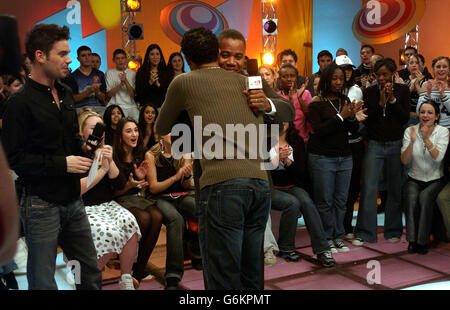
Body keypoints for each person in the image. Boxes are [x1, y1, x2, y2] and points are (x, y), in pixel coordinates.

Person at [156, 27, 294, 290]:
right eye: (225, 55)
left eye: (238, 56)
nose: (232, 62)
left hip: (229, 185)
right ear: (214, 53)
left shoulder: (251, 81)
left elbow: (286, 109)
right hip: (252, 186)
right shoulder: (204, 82)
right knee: (249, 272)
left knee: (227, 275)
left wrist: (267, 104)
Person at [1, 24, 102, 289]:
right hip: (40, 203)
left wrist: (82, 148)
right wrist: (63, 163)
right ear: (40, 56)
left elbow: (70, 139)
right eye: (63, 53)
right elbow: (15, 159)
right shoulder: (18, 103)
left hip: (73, 200)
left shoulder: (67, 94)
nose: (70, 59)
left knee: (87, 270)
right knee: (43, 279)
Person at [77, 108, 142, 289]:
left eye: (101, 128)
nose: (98, 132)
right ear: (82, 131)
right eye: (93, 128)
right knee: (110, 233)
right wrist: (101, 170)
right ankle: (87, 278)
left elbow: (120, 184)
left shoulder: (106, 150)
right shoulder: (77, 153)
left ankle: (126, 278)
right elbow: (79, 189)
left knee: (130, 223)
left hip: (107, 204)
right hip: (85, 207)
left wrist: (110, 161)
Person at [353, 58, 410, 246]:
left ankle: (393, 230)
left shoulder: (402, 90)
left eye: (385, 74)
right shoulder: (369, 92)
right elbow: (368, 120)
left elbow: (403, 118)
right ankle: (364, 232)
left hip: (395, 144)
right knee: (369, 188)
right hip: (375, 144)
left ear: (393, 74)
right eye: (378, 75)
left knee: (395, 187)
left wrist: (392, 100)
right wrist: (381, 101)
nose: (382, 78)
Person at [307, 63, 362, 253]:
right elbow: (319, 131)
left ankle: (338, 236)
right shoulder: (316, 103)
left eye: (342, 79)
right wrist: (341, 116)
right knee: (325, 201)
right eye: (335, 79)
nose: (339, 82)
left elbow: (352, 130)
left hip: (345, 156)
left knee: (341, 200)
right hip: (323, 157)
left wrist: (352, 117)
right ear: (326, 80)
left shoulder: (345, 100)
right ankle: (326, 238)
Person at [270, 122, 336, 266]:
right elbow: (261, 169)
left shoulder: (297, 141)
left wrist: (287, 161)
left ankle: (323, 250)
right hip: (270, 187)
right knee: (292, 203)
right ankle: (286, 248)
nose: (283, 123)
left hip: (292, 185)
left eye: (285, 120)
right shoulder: (265, 139)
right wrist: (275, 159)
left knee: (306, 201)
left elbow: (300, 173)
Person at [112, 117, 163, 283]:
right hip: (119, 199)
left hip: (137, 199)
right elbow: (113, 192)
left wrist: (141, 183)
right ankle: (129, 263)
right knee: (145, 218)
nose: (134, 134)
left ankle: (139, 269)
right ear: (120, 137)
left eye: (135, 130)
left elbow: (142, 184)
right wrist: (130, 184)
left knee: (157, 216)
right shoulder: (113, 156)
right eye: (128, 131)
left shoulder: (140, 153)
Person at [145, 134, 196, 290]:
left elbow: (186, 186)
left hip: (181, 195)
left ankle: (195, 245)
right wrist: (175, 177)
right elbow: (153, 187)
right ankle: (173, 277)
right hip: (160, 197)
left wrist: (186, 176)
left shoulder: (183, 152)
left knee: (202, 209)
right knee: (176, 219)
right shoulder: (151, 154)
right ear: (161, 134)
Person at [401, 100, 449, 254]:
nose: (425, 115)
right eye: (422, 112)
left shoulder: (443, 132)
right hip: (415, 177)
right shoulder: (410, 131)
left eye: (429, 113)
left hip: (436, 179)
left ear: (437, 116)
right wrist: (412, 142)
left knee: (425, 197)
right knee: (410, 196)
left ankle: (422, 241)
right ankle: (412, 240)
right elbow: (404, 160)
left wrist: (427, 139)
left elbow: (438, 158)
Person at [335, 55, 366, 240]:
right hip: (337, 144)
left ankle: (346, 225)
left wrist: (354, 117)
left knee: (352, 187)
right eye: (343, 69)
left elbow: (358, 116)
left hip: (354, 143)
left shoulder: (357, 90)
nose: (346, 72)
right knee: (337, 188)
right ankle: (335, 227)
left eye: (349, 69)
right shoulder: (329, 91)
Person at [277, 63, 312, 142]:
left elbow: (310, 117)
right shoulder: (276, 97)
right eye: (285, 76)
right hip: (282, 142)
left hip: (302, 140)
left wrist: (300, 98)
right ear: (279, 79)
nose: (289, 79)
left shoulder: (305, 94)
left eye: (292, 76)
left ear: (296, 78)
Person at [70, 45, 106, 114]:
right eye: (83, 56)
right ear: (78, 59)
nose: (87, 58)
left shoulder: (100, 74)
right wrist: (89, 90)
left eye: (89, 55)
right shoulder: (73, 76)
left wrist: (97, 91)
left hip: (98, 109)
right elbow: (73, 99)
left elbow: (103, 98)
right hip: (81, 110)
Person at [417, 56, 450, 129]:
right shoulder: (426, 85)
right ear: (433, 70)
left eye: (444, 67)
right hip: (429, 128)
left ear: (449, 70)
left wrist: (443, 95)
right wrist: (428, 93)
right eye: (438, 67)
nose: (441, 69)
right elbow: (418, 111)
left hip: (448, 128)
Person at [105, 49, 138, 121]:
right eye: (117, 58)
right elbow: (109, 95)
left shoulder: (132, 73)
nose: (120, 61)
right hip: (114, 105)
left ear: (126, 59)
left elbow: (133, 94)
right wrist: (120, 84)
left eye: (122, 58)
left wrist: (125, 81)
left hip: (130, 105)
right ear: (113, 60)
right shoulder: (109, 72)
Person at [135, 44, 169, 109]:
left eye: (157, 54)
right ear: (148, 56)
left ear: (161, 56)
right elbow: (139, 94)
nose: (155, 57)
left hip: (162, 108)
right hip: (145, 108)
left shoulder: (166, 71)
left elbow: (168, 94)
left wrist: (158, 84)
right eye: (152, 54)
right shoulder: (141, 71)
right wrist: (150, 83)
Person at [403, 54, 433, 124]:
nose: (414, 65)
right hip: (406, 115)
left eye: (417, 63)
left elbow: (427, 99)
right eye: (411, 63)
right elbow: (402, 99)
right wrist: (410, 88)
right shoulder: (404, 80)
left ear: (423, 65)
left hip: (423, 116)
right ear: (408, 66)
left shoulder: (428, 80)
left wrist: (417, 85)